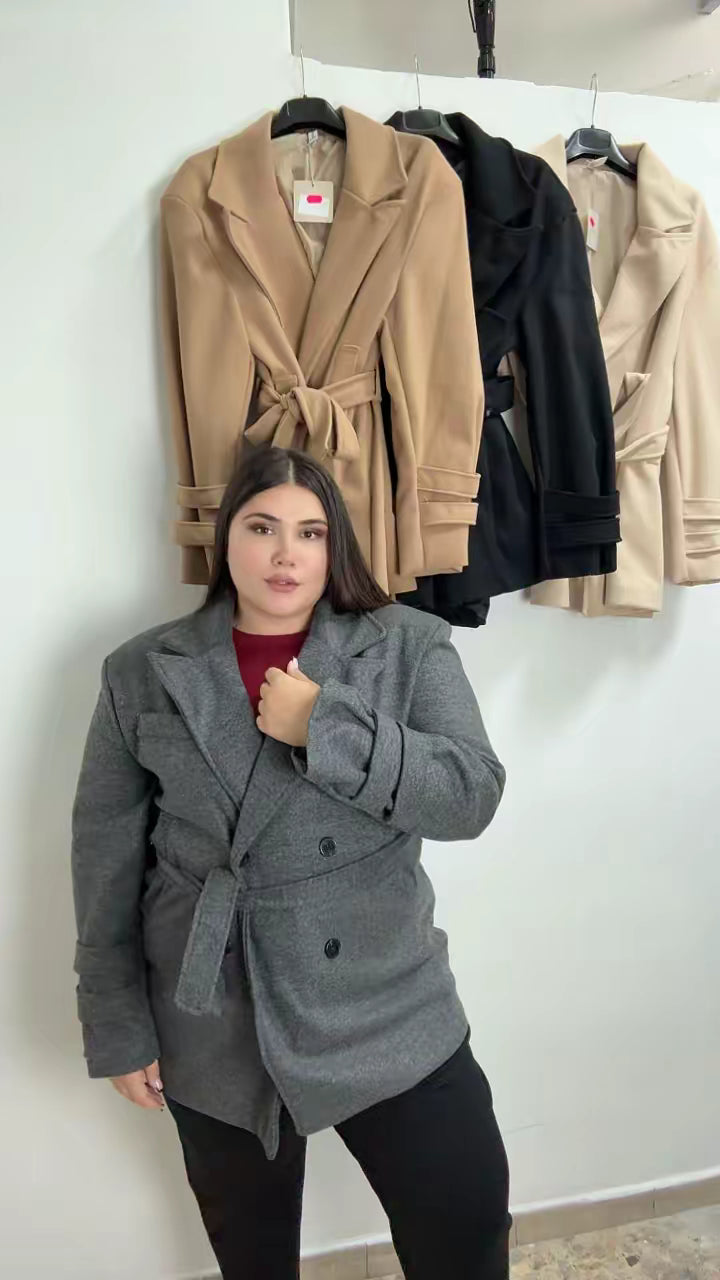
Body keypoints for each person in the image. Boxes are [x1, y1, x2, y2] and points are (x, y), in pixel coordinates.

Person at [71, 442, 512, 1279]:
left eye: (310, 533)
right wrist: (116, 1022)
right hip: (215, 1015)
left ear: (335, 545)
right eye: (262, 527)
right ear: (225, 538)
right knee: (253, 1256)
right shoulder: (142, 671)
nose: (285, 553)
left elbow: (472, 796)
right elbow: (104, 859)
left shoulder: (408, 646)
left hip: (388, 1001)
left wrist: (327, 728)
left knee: (466, 1231)